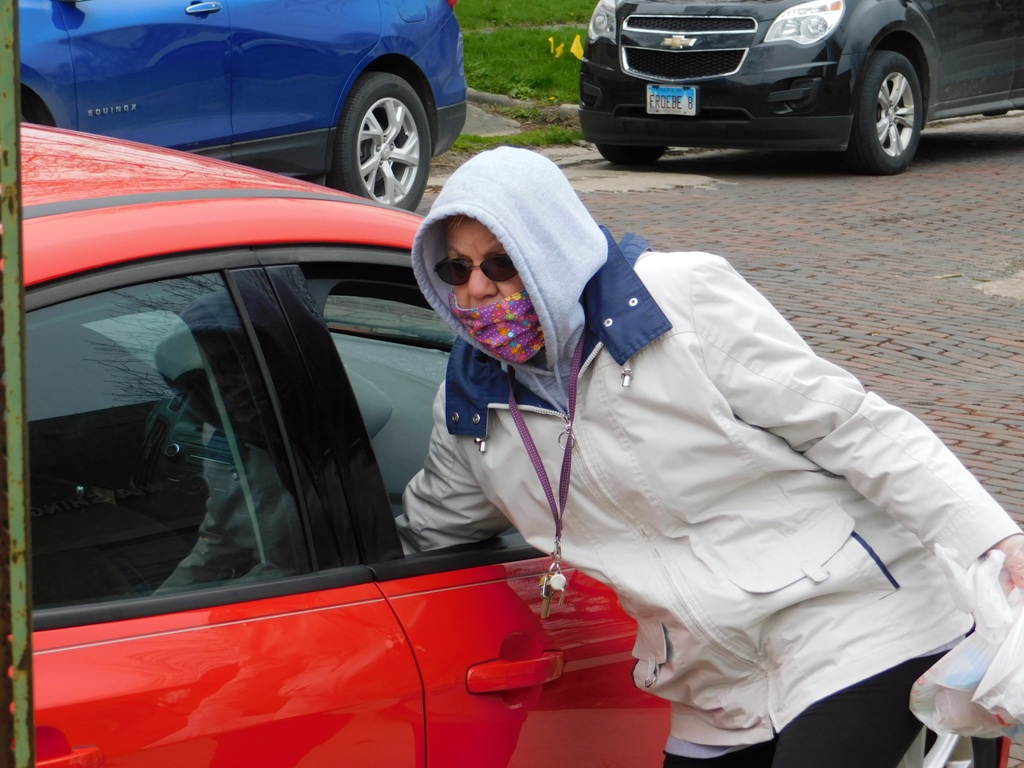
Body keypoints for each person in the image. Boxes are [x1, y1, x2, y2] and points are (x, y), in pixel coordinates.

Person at [395, 146, 1024, 767]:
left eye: (501, 263)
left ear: (551, 252)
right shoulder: (469, 409)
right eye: (456, 269)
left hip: (851, 622)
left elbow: (849, 424)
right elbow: (433, 527)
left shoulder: (678, 298)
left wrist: (995, 541)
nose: (478, 288)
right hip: (710, 683)